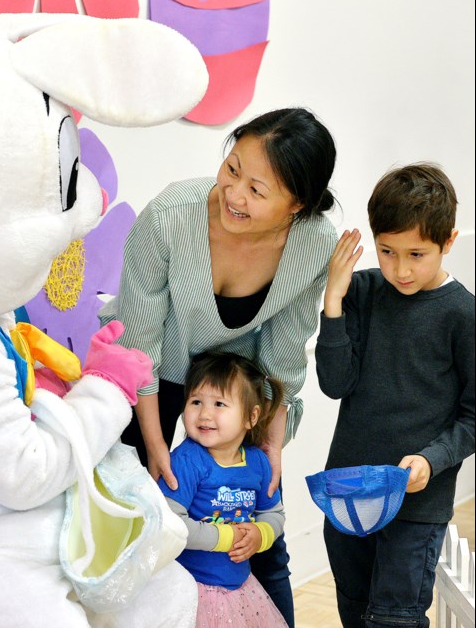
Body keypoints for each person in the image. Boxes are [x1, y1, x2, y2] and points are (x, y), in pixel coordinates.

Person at [98, 107, 339, 625]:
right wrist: (156, 444)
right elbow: (141, 346)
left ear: (297, 204)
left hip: (237, 391)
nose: (234, 195)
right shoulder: (170, 215)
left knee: (260, 539)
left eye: (258, 189)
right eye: (232, 171)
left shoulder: (313, 243)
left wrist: (271, 447)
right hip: (151, 378)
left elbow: (283, 355)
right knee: (143, 528)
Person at [314, 162, 475, 628]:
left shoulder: (462, 315)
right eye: (386, 251)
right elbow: (334, 383)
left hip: (417, 504)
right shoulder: (361, 292)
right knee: (355, 611)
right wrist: (334, 302)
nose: (400, 269)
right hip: (347, 493)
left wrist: (432, 459)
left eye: (416, 254)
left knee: (394, 620)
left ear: (448, 242)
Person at [158, 350, 289, 628]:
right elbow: (169, 524)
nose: (204, 414)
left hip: (240, 589)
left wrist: (259, 534)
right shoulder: (186, 461)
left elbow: (275, 514)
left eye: (219, 403)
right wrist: (225, 537)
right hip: (191, 589)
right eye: (196, 401)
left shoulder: (257, 462)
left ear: (251, 417)